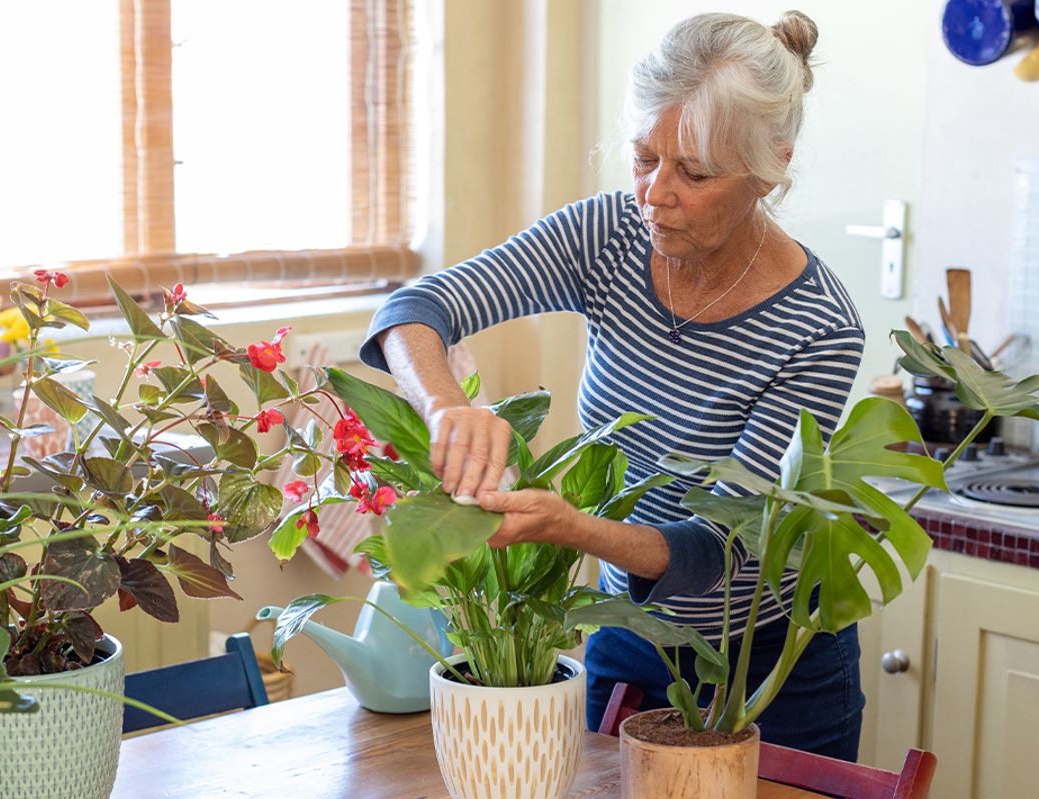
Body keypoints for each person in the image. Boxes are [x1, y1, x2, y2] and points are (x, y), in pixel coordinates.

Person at [360, 10, 866, 760]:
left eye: (693, 173)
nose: (654, 194)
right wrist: (447, 407)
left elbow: (716, 548)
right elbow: (414, 309)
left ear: (770, 167)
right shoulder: (607, 238)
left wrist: (569, 526)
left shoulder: (818, 327)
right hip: (634, 639)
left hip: (774, 670)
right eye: (642, 157)